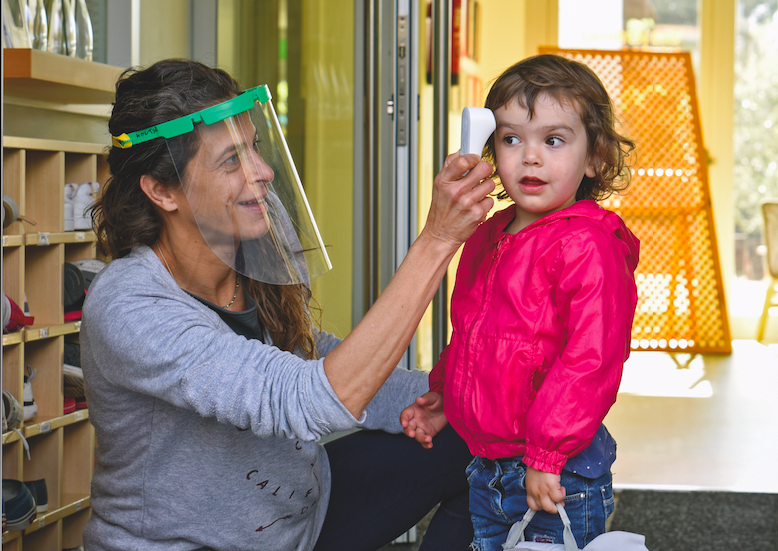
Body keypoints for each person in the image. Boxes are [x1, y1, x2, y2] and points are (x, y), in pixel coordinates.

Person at [80, 58, 496, 551]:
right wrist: (438, 239)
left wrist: (458, 393)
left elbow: (309, 355)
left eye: (253, 147)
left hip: (302, 524)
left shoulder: (247, 249)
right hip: (191, 544)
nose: (262, 171)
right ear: (162, 192)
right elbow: (310, 398)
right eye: (230, 160)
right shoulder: (130, 306)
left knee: (479, 432)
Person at [400, 53, 640, 550]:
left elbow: (590, 361)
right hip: (489, 463)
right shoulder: (486, 235)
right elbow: (473, 331)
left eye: (553, 141)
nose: (530, 156)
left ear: (594, 158)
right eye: (511, 139)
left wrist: (548, 455)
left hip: (559, 472)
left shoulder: (587, 246)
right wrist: (446, 397)